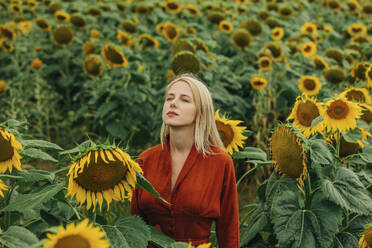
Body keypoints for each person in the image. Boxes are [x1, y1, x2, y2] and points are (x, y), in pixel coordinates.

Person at [130, 74, 240, 247]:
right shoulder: (146, 160)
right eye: (169, 98)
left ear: (200, 111)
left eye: (185, 100)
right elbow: (134, 227)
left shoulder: (220, 162)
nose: (173, 103)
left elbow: (229, 229)